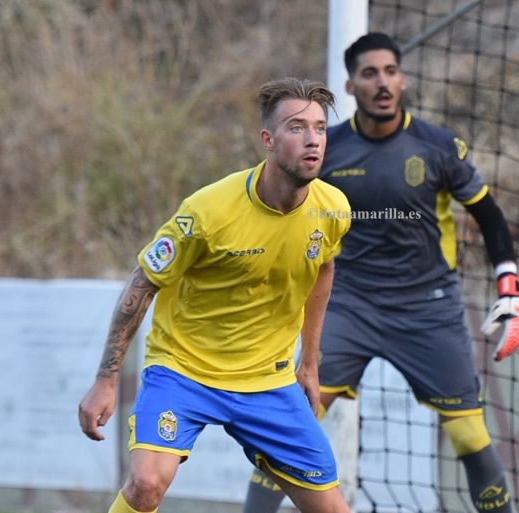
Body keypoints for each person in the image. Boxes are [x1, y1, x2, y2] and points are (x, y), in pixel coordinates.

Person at [242, 33, 519, 513]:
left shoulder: (438, 146)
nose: (382, 83)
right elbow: (283, 215)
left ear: (403, 80)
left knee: (469, 434)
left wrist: (510, 289)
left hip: (428, 307)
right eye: (369, 73)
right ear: (350, 86)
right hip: (348, 303)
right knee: (290, 427)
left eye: (390, 72)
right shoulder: (326, 149)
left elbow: (491, 217)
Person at [77, 77, 352, 513]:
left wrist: (310, 362)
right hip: (184, 370)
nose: (313, 139)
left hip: (267, 381)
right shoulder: (208, 212)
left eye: (319, 128)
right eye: (297, 127)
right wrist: (106, 380)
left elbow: (323, 268)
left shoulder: (333, 208)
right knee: (146, 483)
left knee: (332, 510)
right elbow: (143, 282)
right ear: (268, 139)